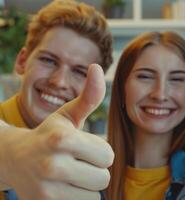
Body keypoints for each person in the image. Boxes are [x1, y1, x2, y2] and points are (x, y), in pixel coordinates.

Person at [0, 0, 114, 199]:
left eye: (79, 71)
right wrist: (10, 156)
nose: (59, 82)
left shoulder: (90, 167)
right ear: (22, 61)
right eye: (48, 60)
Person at [104, 31, 185, 200]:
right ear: (122, 89)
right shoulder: (87, 175)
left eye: (177, 79)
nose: (160, 94)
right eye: (145, 76)